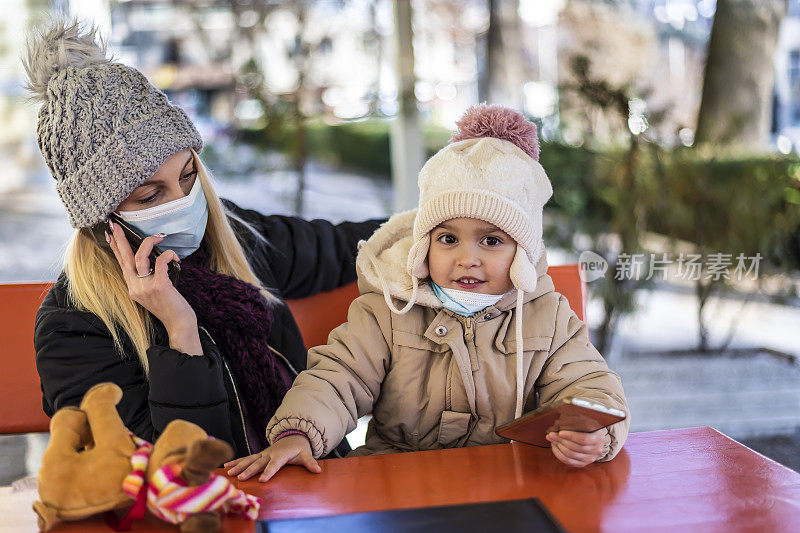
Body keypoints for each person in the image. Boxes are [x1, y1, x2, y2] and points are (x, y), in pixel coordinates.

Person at [27, 19, 381, 458]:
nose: (184, 200)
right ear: (102, 221)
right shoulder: (75, 325)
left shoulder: (237, 238)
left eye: (188, 175)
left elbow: (350, 246)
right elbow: (174, 471)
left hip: (311, 483)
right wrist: (180, 332)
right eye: (151, 194)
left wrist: (449, 221)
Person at [226, 104, 630, 482]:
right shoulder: (388, 309)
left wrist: (592, 434)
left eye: (491, 241)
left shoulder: (547, 314)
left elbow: (588, 381)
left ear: (522, 252)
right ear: (424, 245)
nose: (466, 259)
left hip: (509, 474)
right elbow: (338, 378)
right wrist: (301, 432)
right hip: (397, 474)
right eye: (448, 238)